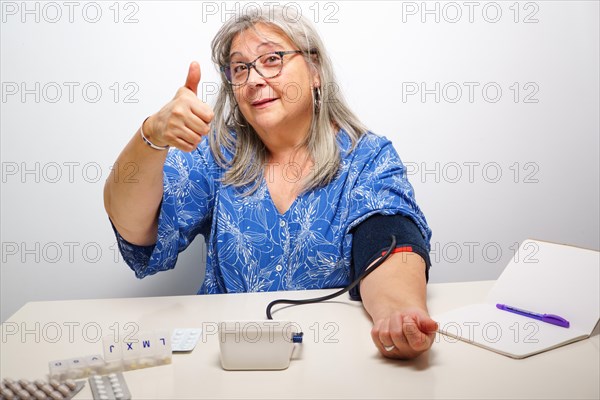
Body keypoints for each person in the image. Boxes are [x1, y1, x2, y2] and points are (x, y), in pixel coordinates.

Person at [104, 5, 437, 360]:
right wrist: (151, 136)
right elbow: (135, 226)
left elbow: (388, 240)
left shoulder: (366, 156)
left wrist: (397, 312)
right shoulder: (216, 153)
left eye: (272, 59)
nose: (254, 79)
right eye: (240, 67)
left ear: (315, 71)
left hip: (331, 360)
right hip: (225, 363)